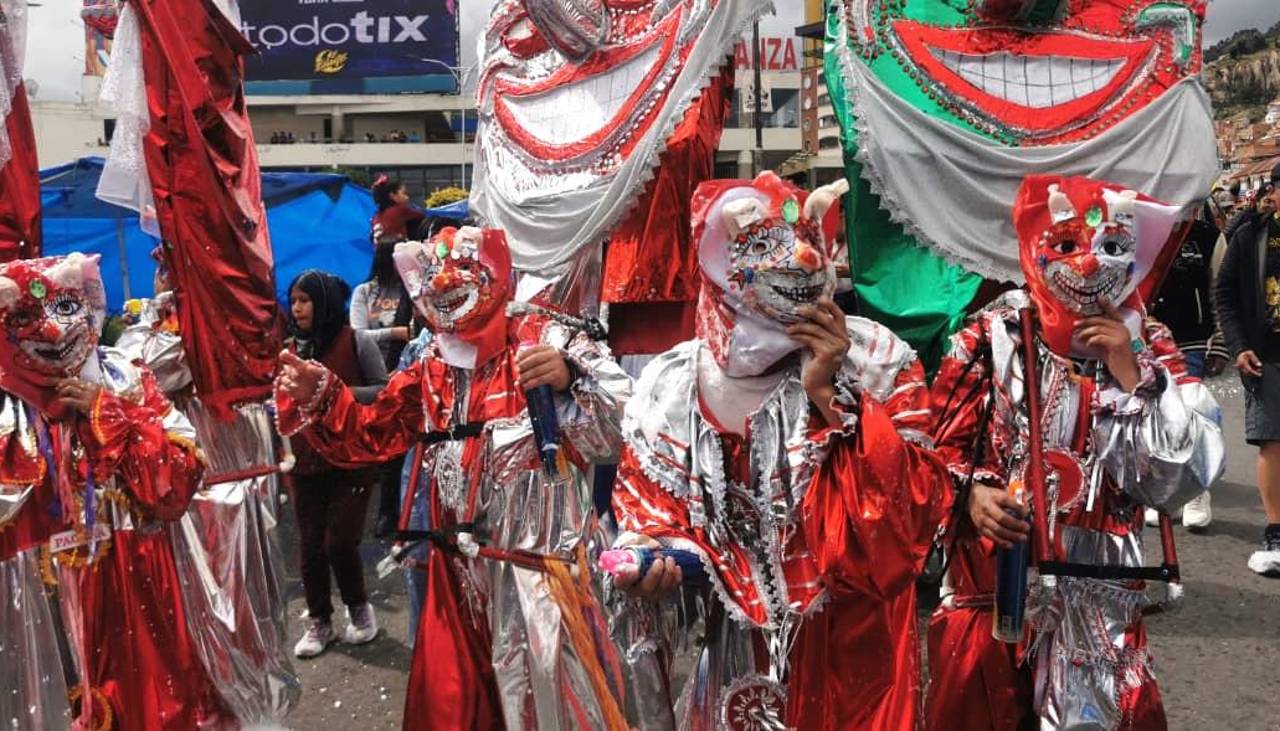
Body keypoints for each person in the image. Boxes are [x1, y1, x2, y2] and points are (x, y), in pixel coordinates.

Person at [610, 172, 951, 728]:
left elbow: (909, 527)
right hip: (736, 665)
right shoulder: (673, 384)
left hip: (859, 661)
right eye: (763, 242)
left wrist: (829, 399)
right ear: (718, 257)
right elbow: (650, 509)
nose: (801, 258)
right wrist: (652, 554)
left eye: (809, 239)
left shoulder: (877, 362)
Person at [275, 226, 633, 729]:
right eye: (434, 271)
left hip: (537, 583)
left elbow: (622, 430)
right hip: (453, 578)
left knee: (545, 710)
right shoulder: (431, 362)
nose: (444, 280)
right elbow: (373, 435)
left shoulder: (546, 339)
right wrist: (324, 396)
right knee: (454, 711)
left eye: (463, 267)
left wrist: (570, 377)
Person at [927, 175, 1224, 729]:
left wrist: (1131, 371)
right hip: (991, 592)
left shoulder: (1148, 341)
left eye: (1110, 247)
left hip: (1101, 599)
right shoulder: (990, 337)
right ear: (1033, 248)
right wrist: (970, 498)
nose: (1089, 265)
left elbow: (1180, 478)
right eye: (1066, 246)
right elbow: (930, 454)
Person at [0, 253, 230, 729]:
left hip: (141, 581)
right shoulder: (7, 405)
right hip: (44, 602)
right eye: (24, 317)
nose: (51, 330)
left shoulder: (127, 376)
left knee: (157, 705)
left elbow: (177, 485)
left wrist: (112, 415)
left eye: (65, 308)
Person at [284, 270, 388, 658]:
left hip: (350, 460)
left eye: (305, 300)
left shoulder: (356, 341)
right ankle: (320, 621)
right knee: (310, 546)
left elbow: (383, 390)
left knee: (339, 541)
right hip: (304, 462)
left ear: (324, 302)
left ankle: (359, 611)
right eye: (293, 300)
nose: (297, 308)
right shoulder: (290, 349)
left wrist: (333, 393)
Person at [1214, 163, 1280, 577]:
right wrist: (1238, 346)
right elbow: (1224, 292)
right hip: (1266, 353)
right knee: (1272, 443)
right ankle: (1276, 530)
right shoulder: (1251, 235)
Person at [1148, 200, 1222, 529]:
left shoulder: (1207, 236)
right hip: (1148, 338)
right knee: (1156, 416)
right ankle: (1166, 492)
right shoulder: (1143, 227)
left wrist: (1221, 341)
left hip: (1192, 336)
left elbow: (1221, 288)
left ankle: (1197, 490)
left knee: (1193, 411)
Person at [371, 175, 426, 244]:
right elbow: (421, 215)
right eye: (404, 193)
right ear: (392, 195)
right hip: (397, 250)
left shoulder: (376, 217)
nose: (407, 198)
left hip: (379, 252)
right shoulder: (400, 210)